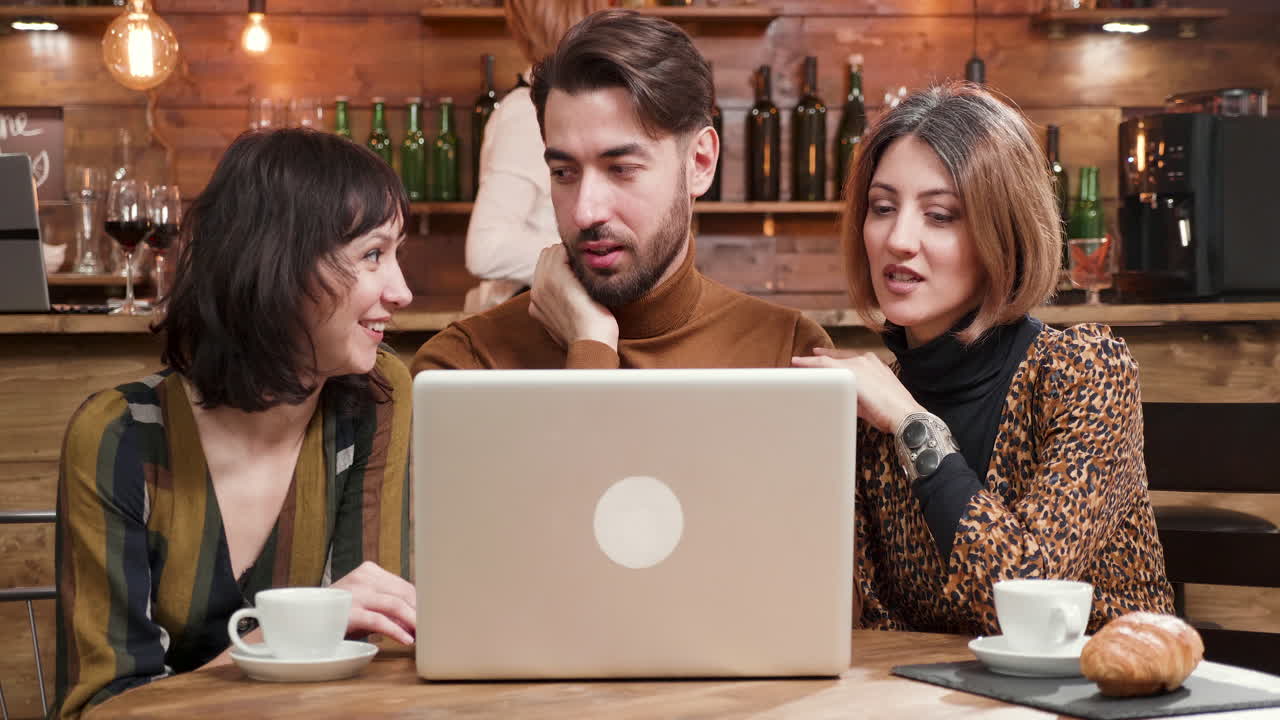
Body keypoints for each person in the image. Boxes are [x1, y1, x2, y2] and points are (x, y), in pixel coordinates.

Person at [54, 129, 416, 719]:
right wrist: (280, 636)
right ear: (279, 266)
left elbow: (373, 646)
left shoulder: (376, 397)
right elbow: (104, 705)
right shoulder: (119, 436)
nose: (402, 291)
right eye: (373, 255)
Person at [794, 82, 1174, 635]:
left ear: (1004, 234)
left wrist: (914, 426)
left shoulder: (1084, 370)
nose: (899, 239)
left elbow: (1031, 598)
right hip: (930, 687)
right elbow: (879, 621)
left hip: (1097, 679)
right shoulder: (873, 409)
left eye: (940, 215)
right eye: (882, 208)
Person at [413, 10, 831, 373]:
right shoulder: (465, 363)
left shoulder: (789, 353)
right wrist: (591, 346)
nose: (585, 212)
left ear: (700, 163)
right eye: (564, 172)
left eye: (622, 169)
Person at [463, 0, 611, 313]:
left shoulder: (567, 105)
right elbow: (486, 248)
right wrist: (591, 257)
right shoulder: (525, 113)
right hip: (529, 321)